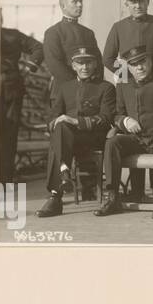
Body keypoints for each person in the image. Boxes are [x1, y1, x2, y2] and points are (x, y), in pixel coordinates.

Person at [94, 46, 153, 219]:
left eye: (143, 62)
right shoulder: (123, 85)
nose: (139, 67)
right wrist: (125, 121)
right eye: (134, 64)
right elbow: (117, 113)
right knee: (112, 142)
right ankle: (112, 197)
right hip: (135, 139)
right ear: (128, 67)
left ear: (150, 61)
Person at [35, 46, 116, 219]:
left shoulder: (106, 87)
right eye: (80, 63)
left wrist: (75, 121)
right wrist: (54, 123)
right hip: (67, 140)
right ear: (73, 66)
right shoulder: (65, 88)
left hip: (93, 138)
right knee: (60, 128)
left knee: (61, 133)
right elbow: (52, 117)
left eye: (88, 62)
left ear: (95, 64)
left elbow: (106, 118)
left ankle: (56, 195)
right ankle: (62, 177)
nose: (84, 67)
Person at [0, 14, 43, 184]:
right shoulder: (13, 35)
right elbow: (38, 48)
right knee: (8, 137)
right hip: (12, 86)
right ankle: (5, 181)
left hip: (5, 89)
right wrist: (29, 67)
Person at [41, 0, 100, 99]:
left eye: (81, 1)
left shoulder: (88, 33)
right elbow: (55, 65)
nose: (80, 5)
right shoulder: (53, 32)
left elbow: (98, 63)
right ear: (63, 5)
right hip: (64, 93)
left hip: (90, 92)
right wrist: (78, 86)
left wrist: (95, 87)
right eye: (75, 1)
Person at [102, 0, 153, 80]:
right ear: (126, 4)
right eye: (133, 2)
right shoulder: (118, 27)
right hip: (129, 83)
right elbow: (107, 58)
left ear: (147, 2)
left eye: (141, 1)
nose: (138, 6)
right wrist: (127, 75)